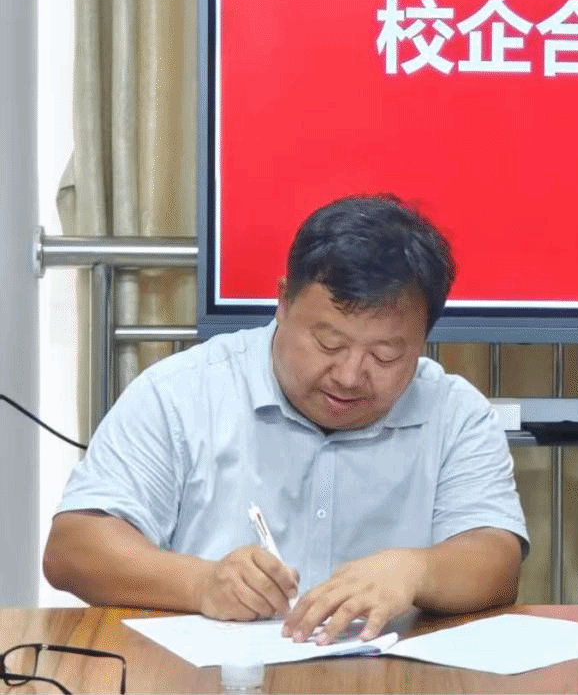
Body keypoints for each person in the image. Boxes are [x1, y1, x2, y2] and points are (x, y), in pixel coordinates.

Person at [44, 194, 528, 645]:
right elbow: (73, 549)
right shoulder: (181, 393)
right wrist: (200, 583)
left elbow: (496, 559)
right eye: (329, 343)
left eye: (385, 355)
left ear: (423, 339)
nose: (349, 376)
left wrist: (417, 572)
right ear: (283, 301)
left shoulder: (454, 412)